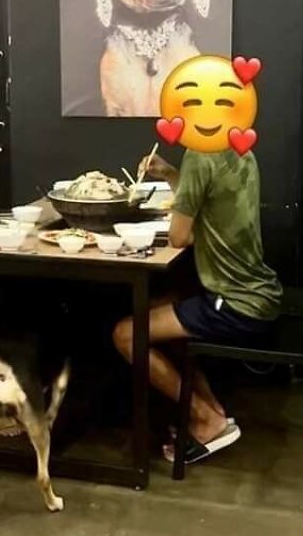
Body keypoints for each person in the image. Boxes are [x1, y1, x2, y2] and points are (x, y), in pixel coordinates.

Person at [113, 146, 282, 463]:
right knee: (161, 307)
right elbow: (212, 197)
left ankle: (205, 419)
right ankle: (211, 408)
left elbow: (178, 236)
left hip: (235, 301)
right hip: (258, 291)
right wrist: (171, 174)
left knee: (126, 334)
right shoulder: (238, 146)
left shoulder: (199, 155)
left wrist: (183, 181)